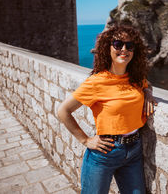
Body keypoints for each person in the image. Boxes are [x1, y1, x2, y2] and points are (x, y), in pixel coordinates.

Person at [58, 24, 157, 194]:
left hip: (134, 150)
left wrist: (147, 93)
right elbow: (63, 111)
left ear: (135, 51)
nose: (124, 49)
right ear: (108, 48)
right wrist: (86, 140)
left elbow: (147, 85)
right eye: (118, 44)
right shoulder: (96, 82)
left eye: (129, 45)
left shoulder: (135, 78)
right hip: (105, 152)